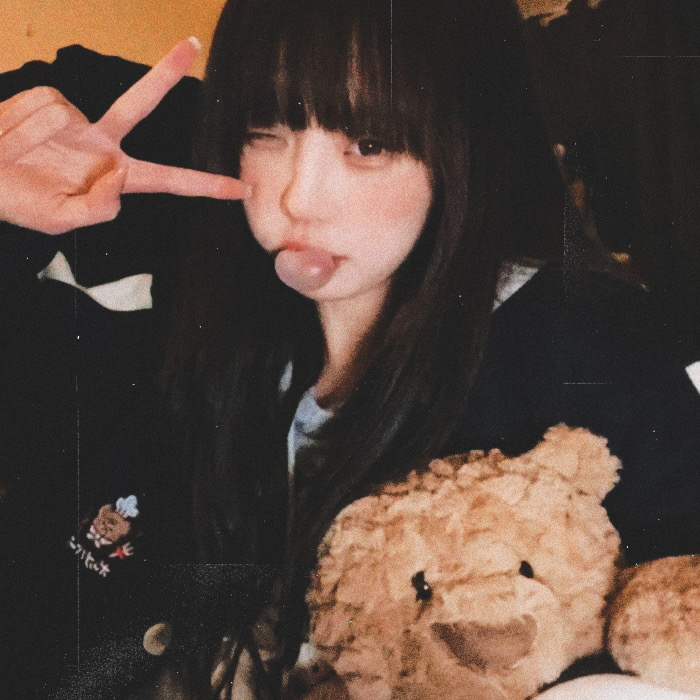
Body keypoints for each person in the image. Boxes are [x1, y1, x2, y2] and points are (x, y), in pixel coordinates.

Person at [0, 0, 698, 698]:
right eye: (265, 132)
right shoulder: (192, 275)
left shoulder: (591, 358)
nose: (299, 198)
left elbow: (673, 613)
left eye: (369, 144)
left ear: (470, 139)